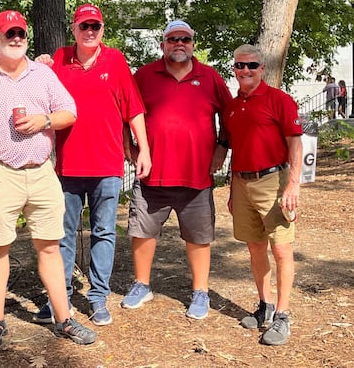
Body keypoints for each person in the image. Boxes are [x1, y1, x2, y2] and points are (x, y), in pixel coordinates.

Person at [0, 10, 97, 349]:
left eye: (20, 33)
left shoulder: (42, 74)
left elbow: (69, 112)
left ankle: (64, 319)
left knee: (50, 246)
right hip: (0, 172)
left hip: (41, 172)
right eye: (9, 34)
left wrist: (43, 120)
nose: (16, 39)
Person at [33, 4, 151, 326]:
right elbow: (28, 86)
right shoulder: (58, 60)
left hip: (107, 166)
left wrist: (144, 150)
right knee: (64, 235)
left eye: (95, 27)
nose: (90, 32)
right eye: (84, 26)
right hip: (68, 167)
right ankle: (61, 297)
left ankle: (98, 296)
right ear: (74, 28)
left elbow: (134, 108)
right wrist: (38, 64)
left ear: (102, 30)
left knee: (104, 232)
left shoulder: (115, 60)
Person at [120, 20, 232, 320]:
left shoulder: (209, 77)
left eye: (185, 39)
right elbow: (124, 111)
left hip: (196, 175)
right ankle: (142, 285)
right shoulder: (144, 75)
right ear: (163, 44)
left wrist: (222, 147)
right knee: (142, 232)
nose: (179, 44)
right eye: (173, 39)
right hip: (152, 173)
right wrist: (128, 146)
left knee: (198, 236)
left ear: (193, 44)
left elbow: (230, 115)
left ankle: (200, 292)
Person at [223, 44, 303, 346]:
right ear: (234, 69)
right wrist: (233, 192)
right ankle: (265, 306)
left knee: (281, 249)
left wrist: (292, 185)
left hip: (274, 181)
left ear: (262, 69)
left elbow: (295, 144)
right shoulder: (231, 107)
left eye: (252, 65)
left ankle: (283, 315)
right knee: (255, 248)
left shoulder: (279, 100)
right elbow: (235, 150)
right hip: (242, 183)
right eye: (240, 66)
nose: (245, 71)